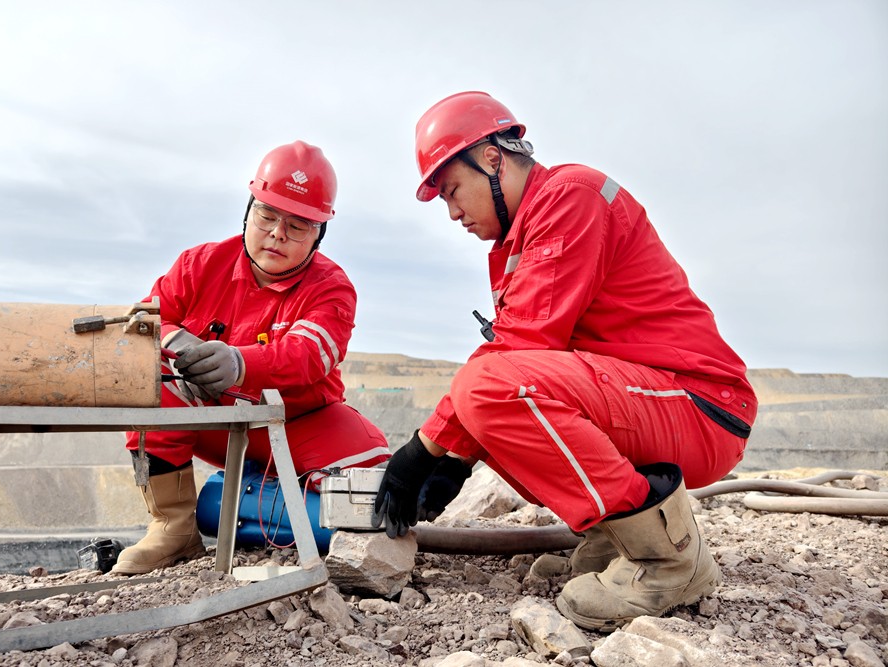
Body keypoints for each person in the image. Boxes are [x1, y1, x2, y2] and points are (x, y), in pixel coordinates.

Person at [372, 92, 757, 631]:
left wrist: (423, 453)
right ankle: (615, 540)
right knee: (497, 405)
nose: (454, 212)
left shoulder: (569, 196)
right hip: (644, 401)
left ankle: (667, 560)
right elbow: (531, 361)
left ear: (491, 158)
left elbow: (519, 348)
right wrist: (456, 458)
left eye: (453, 191)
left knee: (487, 387)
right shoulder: (522, 236)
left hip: (699, 405)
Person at [111, 141, 391, 576]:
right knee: (149, 382)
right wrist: (176, 342)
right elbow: (145, 322)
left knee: (376, 484)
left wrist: (240, 364)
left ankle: (251, 496)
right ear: (248, 210)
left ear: (320, 234)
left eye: (298, 225)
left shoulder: (332, 287)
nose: (278, 233)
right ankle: (175, 528)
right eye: (267, 215)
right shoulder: (198, 264)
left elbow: (310, 355)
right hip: (216, 423)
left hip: (297, 420)